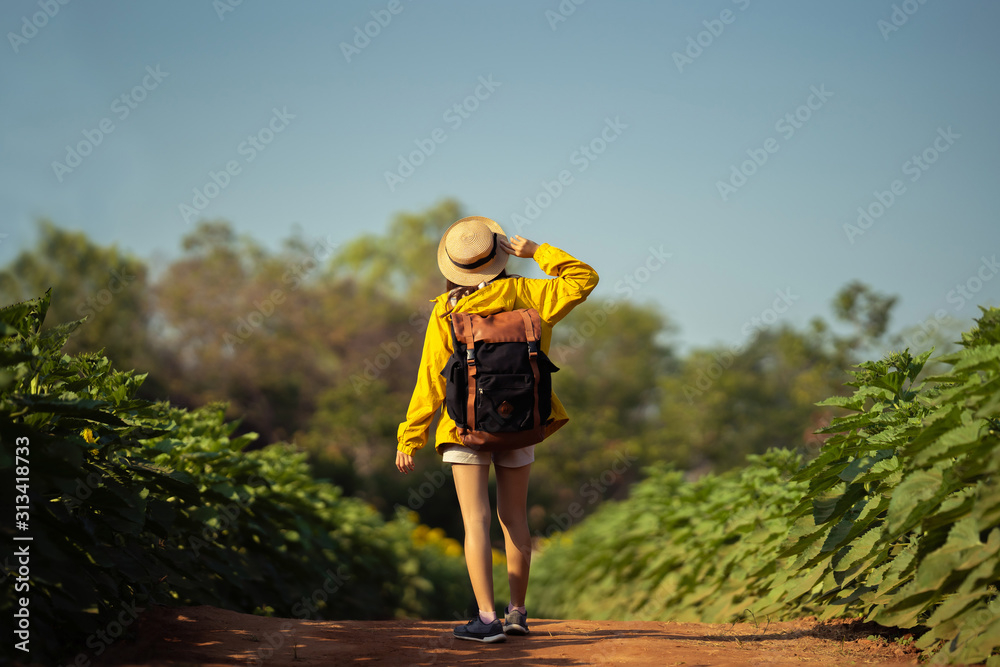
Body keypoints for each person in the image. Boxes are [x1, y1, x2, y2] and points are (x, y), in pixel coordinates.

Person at [395, 215, 599, 643]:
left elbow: (431, 377)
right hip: (524, 423)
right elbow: (585, 278)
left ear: (455, 267)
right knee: (514, 519)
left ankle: (486, 621)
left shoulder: (447, 310)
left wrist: (410, 436)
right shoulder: (532, 294)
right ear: (498, 255)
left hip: (464, 427)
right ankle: (518, 613)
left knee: (476, 521)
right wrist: (536, 251)